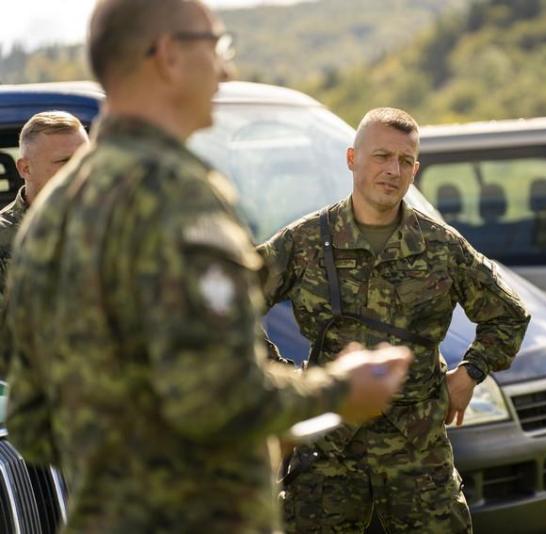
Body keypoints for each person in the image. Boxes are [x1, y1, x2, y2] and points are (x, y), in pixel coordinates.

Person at [2, 1, 411, 532]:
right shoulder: (174, 194)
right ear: (169, 56)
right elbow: (219, 396)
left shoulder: (52, 213)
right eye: (217, 46)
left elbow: (30, 421)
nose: (227, 69)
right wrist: (340, 390)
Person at [258, 107, 531, 533]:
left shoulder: (440, 246)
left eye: (405, 161)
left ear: (415, 170)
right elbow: (224, 310)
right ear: (352, 159)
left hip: (418, 454)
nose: (393, 170)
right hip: (329, 452)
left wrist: (470, 373)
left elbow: (509, 315)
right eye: (382, 156)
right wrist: (282, 377)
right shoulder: (306, 241)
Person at [0, 111, 89, 299]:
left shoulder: (110, 223)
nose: (81, 170)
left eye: (86, 158)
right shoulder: (4, 237)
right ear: (25, 168)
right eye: (65, 161)